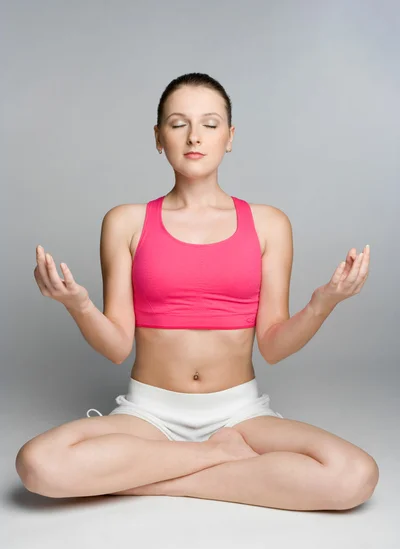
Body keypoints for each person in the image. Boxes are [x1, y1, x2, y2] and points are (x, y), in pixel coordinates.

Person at [15, 73, 379, 511]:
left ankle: (150, 478)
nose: (194, 137)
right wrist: (78, 304)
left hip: (239, 414)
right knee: (38, 464)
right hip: (149, 413)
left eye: (209, 123)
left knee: (354, 476)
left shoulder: (268, 224)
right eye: (177, 123)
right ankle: (214, 460)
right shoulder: (126, 222)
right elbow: (116, 347)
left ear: (229, 136)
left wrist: (324, 303)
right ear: (158, 137)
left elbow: (274, 346)